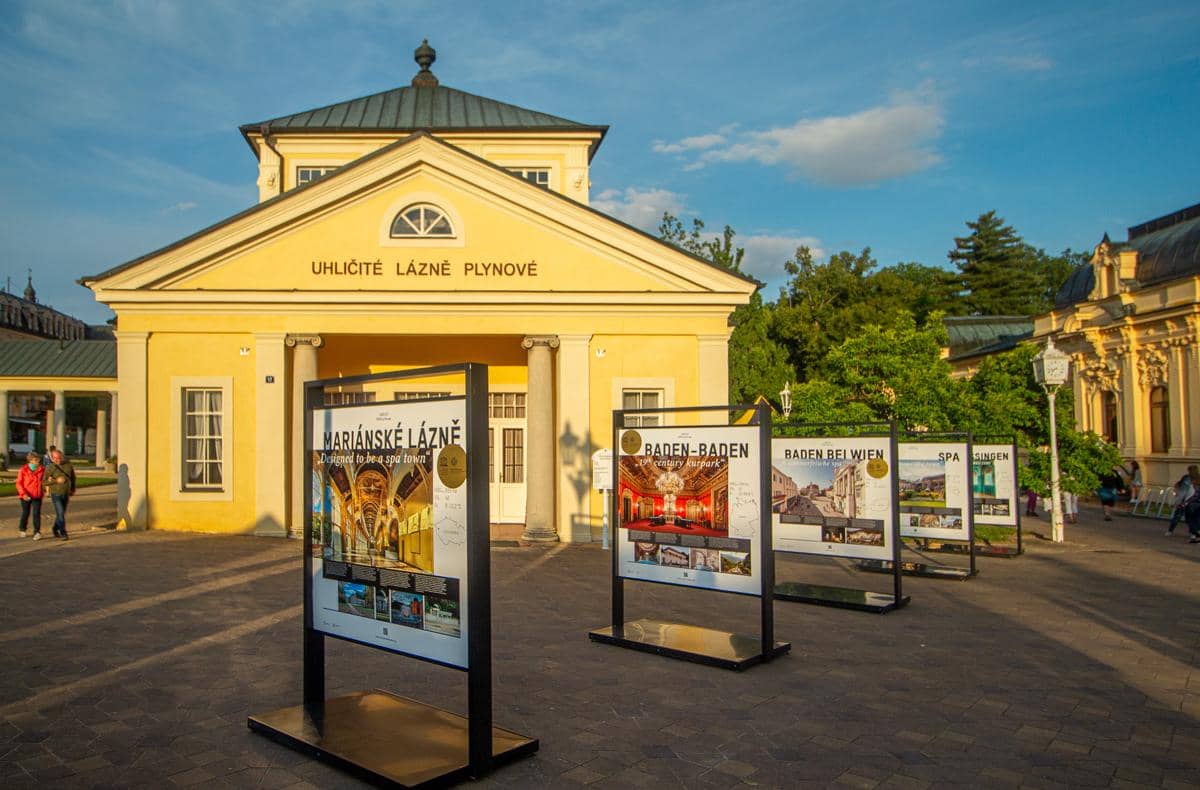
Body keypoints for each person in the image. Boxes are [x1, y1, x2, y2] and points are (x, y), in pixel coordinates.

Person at [46, 448, 76, 541]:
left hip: (65, 493)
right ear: (52, 458)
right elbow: (43, 482)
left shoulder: (68, 466)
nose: (57, 460)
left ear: (62, 457)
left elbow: (73, 478)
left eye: (58, 458)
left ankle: (55, 528)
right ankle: (63, 532)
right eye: (54, 458)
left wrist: (72, 489)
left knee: (61, 513)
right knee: (60, 513)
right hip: (55, 493)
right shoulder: (50, 467)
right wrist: (55, 481)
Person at [16, 451, 45, 540]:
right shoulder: (23, 470)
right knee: (26, 512)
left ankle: (37, 532)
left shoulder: (42, 469)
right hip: (26, 495)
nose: (38, 461)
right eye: (35, 460)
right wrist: (23, 494)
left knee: (36, 513)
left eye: (38, 459)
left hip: (37, 495)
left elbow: (46, 481)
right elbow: (19, 483)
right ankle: (22, 529)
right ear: (30, 461)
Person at [1166, 468, 1195, 536]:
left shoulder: (1187, 478)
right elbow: (1179, 486)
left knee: (1182, 517)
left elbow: (1181, 489)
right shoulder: (1187, 478)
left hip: (1188, 501)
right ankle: (1192, 533)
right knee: (1187, 518)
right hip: (1188, 501)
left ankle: (1170, 531)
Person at [1184, 467, 1200, 544]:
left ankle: (1195, 535)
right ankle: (1194, 536)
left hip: (1193, 504)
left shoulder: (1191, 480)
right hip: (1195, 503)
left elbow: (1195, 496)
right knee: (1196, 520)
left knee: (1191, 520)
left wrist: (1186, 502)